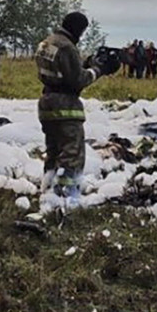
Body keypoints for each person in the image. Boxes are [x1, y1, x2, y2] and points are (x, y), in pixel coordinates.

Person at [35, 12, 114, 202]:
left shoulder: (46, 43)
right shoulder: (67, 47)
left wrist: (84, 64)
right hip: (65, 106)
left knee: (53, 150)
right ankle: (64, 196)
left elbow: (60, 71)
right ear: (78, 28)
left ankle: (47, 190)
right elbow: (77, 80)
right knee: (72, 152)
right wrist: (98, 70)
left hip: (47, 104)